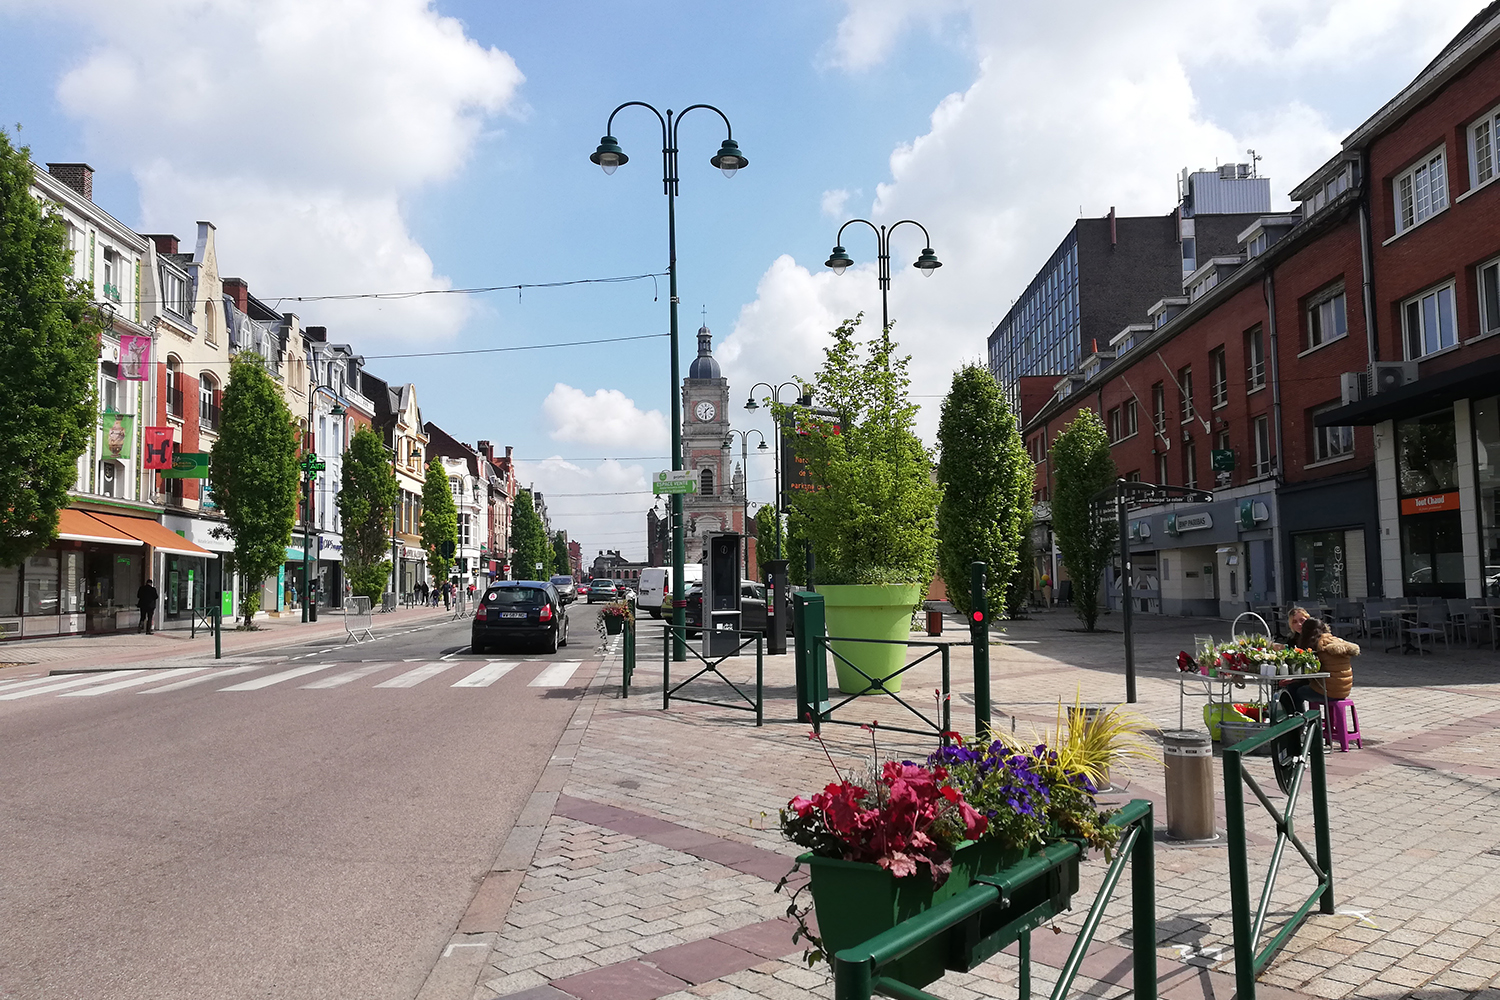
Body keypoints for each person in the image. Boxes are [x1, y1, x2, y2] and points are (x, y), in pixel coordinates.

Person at [1282, 617, 1359, 712]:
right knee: (1298, 686)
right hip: (1343, 690)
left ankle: (1299, 721)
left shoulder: (1317, 645)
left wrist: (1293, 679)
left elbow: (1311, 671)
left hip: (1327, 691)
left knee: (1295, 690)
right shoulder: (1335, 640)